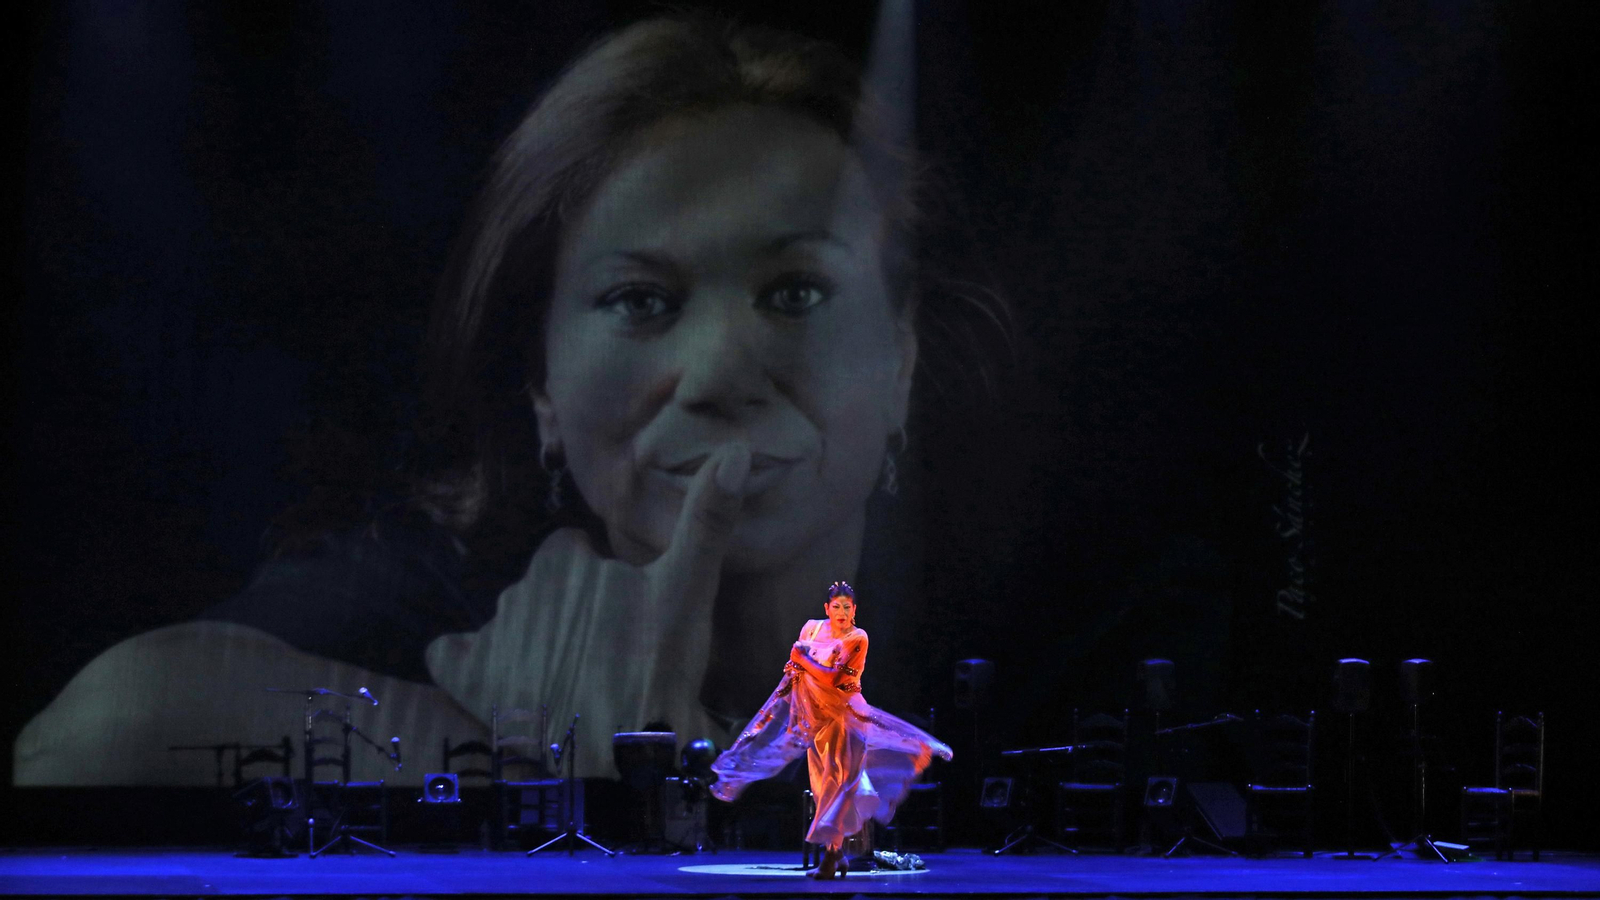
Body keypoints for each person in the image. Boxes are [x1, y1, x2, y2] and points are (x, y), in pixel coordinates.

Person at [17, 13, 1006, 785]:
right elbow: (96, 733)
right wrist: (499, 761)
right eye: (640, 301)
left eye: (794, 293)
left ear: (905, 356)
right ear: (540, 385)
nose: (717, 373)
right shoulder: (443, 599)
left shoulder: (1010, 626)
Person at [710, 582, 950, 879]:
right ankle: (838, 856)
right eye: (836, 607)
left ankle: (831, 857)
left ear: (855, 610)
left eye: (847, 607)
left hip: (847, 718)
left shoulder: (857, 637)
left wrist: (803, 659)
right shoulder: (811, 629)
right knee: (823, 787)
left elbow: (833, 679)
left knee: (839, 785)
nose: (841, 612)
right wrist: (795, 713)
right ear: (826, 608)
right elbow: (795, 677)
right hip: (818, 720)